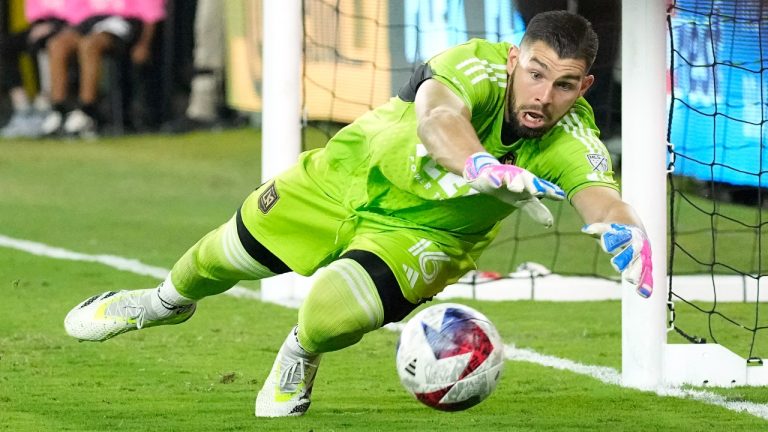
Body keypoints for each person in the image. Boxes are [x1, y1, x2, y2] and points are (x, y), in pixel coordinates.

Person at [63, 11, 653, 417]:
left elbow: (599, 193)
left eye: (566, 85)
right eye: (536, 73)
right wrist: (479, 165)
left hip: (426, 235)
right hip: (344, 179)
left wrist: (624, 229)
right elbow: (437, 120)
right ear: (513, 59)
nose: (544, 96)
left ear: (586, 86)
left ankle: (299, 355)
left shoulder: (572, 136)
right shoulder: (471, 65)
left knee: (329, 315)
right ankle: (159, 304)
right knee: (221, 256)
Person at [40, 0, 165, 137]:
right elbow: (74, 10)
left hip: (122, 20)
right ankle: (59, 109)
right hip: (90, 20)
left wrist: (144, 44)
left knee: (90, 45)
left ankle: (87, 110)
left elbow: (152, 12)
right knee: (57, 45)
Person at [0, 0, 68, 138]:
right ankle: (22, 107)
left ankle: (44, 105)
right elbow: (34, 11)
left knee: (45, 45)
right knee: (4, 46)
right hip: (40, 26)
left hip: (67, 27)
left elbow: (79, 12)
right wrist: (39, 25)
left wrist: (53, 26)